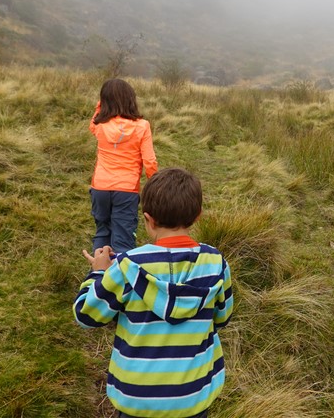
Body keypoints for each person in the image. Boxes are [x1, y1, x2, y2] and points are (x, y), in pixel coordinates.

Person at [74, 168, 233, 418]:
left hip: (136, 398)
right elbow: (222, 318)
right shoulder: (216, 262)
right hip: (194, 395)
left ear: (148, 219)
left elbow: (86, 315)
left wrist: (99, 273)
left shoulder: (126, 267)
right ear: (198, 216)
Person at [89, 78, 158, 254]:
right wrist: (155, 185)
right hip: (127, 190)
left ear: (105, 101)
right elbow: (149, 161)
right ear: (131, 99)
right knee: (123, 239)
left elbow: (94, 120)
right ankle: (122, 278)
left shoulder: (99, 124)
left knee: (103, 232)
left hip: (100, 188)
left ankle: (98, 275)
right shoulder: (142, 126)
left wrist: (101, 105)